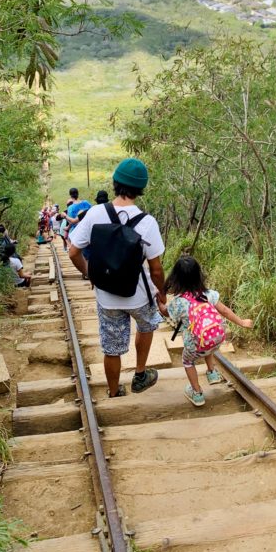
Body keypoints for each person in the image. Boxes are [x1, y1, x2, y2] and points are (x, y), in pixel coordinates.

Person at [69, 158, 165, 398]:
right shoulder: (148, 222)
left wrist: (89, 273)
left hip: (107, 297)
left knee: (111, 348)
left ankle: (114, 392)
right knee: (147, 325)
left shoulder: (94, 213)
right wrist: (162, 295)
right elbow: (156, 270)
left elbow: (73, 251)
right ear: (141, 189)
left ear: (115, 183)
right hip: (139, 296)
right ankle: (140, 374)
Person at [161, 254, 252, 407]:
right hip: (216, 341)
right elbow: (225, 311)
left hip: (195, 346)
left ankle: (196, 393)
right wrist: (242, 322)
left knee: (187, 361)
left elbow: (165, 312)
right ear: (199, 275)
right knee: (207, 344)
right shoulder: (209, 294)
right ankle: (212, 372)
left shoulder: (179, 303)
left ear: (175, 278)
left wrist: (160, 303)